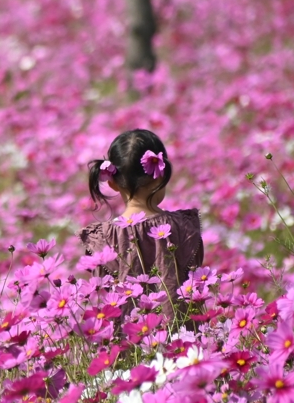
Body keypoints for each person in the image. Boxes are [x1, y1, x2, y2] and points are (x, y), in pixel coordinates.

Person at [78, 129, 203, 309]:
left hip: (128, 335)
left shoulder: (102, 238)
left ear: (112, 183)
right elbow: (197, 286)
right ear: (162, 174)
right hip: (182, 334)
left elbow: (101, 296)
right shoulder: (184, 226)